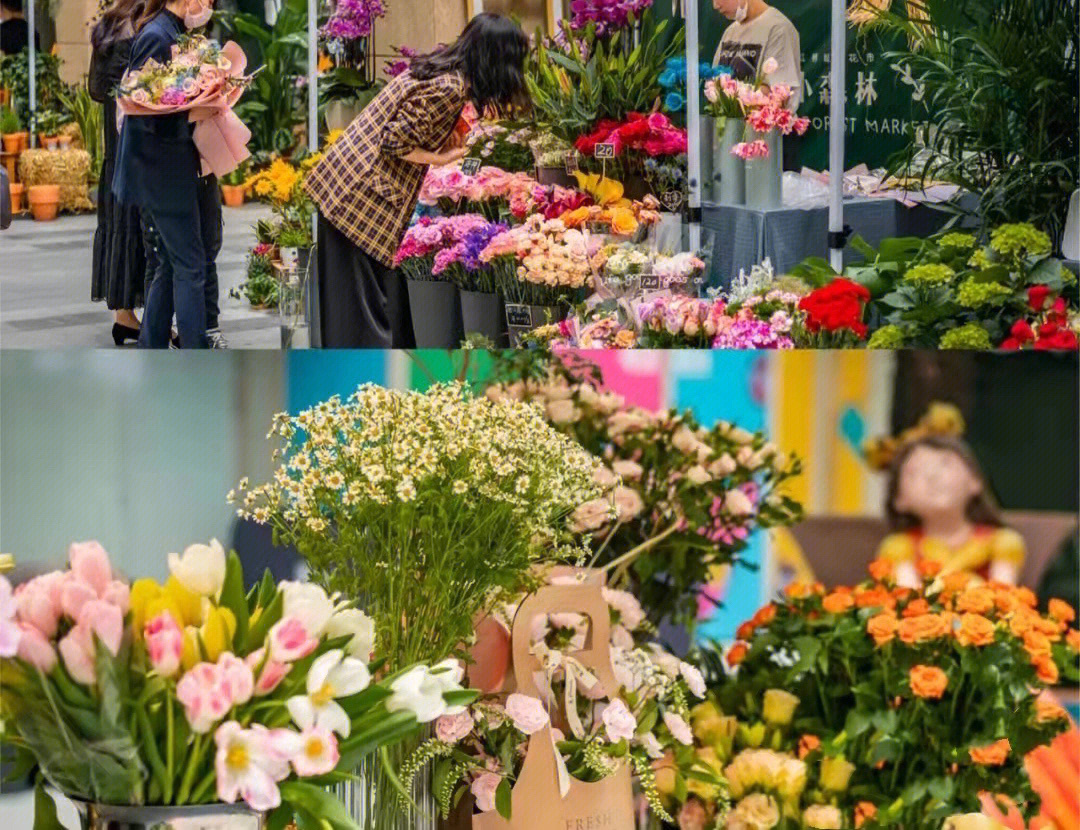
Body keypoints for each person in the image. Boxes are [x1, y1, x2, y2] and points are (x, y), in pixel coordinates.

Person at [304, 12, 529, 348]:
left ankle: (361, 381)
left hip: (347, 191)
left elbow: (403, 125)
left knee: (354, 309)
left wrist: (439, 142)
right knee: (361, 315)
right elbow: (394, 142)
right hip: (359, 201)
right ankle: (367, 386)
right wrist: (443, 158)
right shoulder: (450, 86)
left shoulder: (438, 68)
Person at [112, 0, 226, 349]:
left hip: (168, 167)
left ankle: (151, 347)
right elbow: (141, 110)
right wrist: (192, 107)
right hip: (161, 170)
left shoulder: (173, 32)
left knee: (169, 264)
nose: (207, 5)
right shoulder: (157, 36)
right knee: (191, 266)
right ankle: (195, 361)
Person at [877, 434, 1026, 588]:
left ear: (974, 481)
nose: (932, 477)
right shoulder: (899, 548)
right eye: (914, 473)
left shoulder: (1001, 542)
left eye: (945, 465)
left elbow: (1002, 600)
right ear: (899, 500)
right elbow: (906, 598)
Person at [89, 0, 148, 346]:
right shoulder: (139, 27)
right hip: (132, 139)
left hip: (113, 144)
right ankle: (129, 317)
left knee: (117, 220)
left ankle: (123, 315)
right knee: (133, 222)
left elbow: (96, 90)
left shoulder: (108, 25)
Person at [712, 0, 803, 168]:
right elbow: (714, 83)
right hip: (732, 139)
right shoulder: (730, 32)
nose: (715, 6)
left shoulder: (778, 28)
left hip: (766, 144)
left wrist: (739, 99)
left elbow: (776, 95)